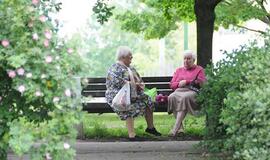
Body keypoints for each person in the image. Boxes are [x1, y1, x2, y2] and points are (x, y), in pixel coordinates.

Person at [105, 46, 161, 141]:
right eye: (130, 57)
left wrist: (140, 85)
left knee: (148, 99)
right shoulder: (115, 68)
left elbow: (140, 80)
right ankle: (132, 135)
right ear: (123, 57)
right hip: (118, 96)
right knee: (127, 104)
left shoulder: (131, 68)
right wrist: (133, 84)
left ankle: (150, 128)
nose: (131, 59)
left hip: (131, 94)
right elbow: (117, 83)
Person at [168, 50, 206, 137]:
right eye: (185, 58)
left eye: (189, 59)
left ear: (193, 60)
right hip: (179, 91)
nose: (186, 61)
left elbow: (201, 82)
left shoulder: (199, 69)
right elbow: (172, 84)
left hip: (193, 91)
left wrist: (187, 82)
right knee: (172, 97)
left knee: (184, 98)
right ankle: (181, 128)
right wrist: (178, 84)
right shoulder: (179, 70)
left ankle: (175, 128)